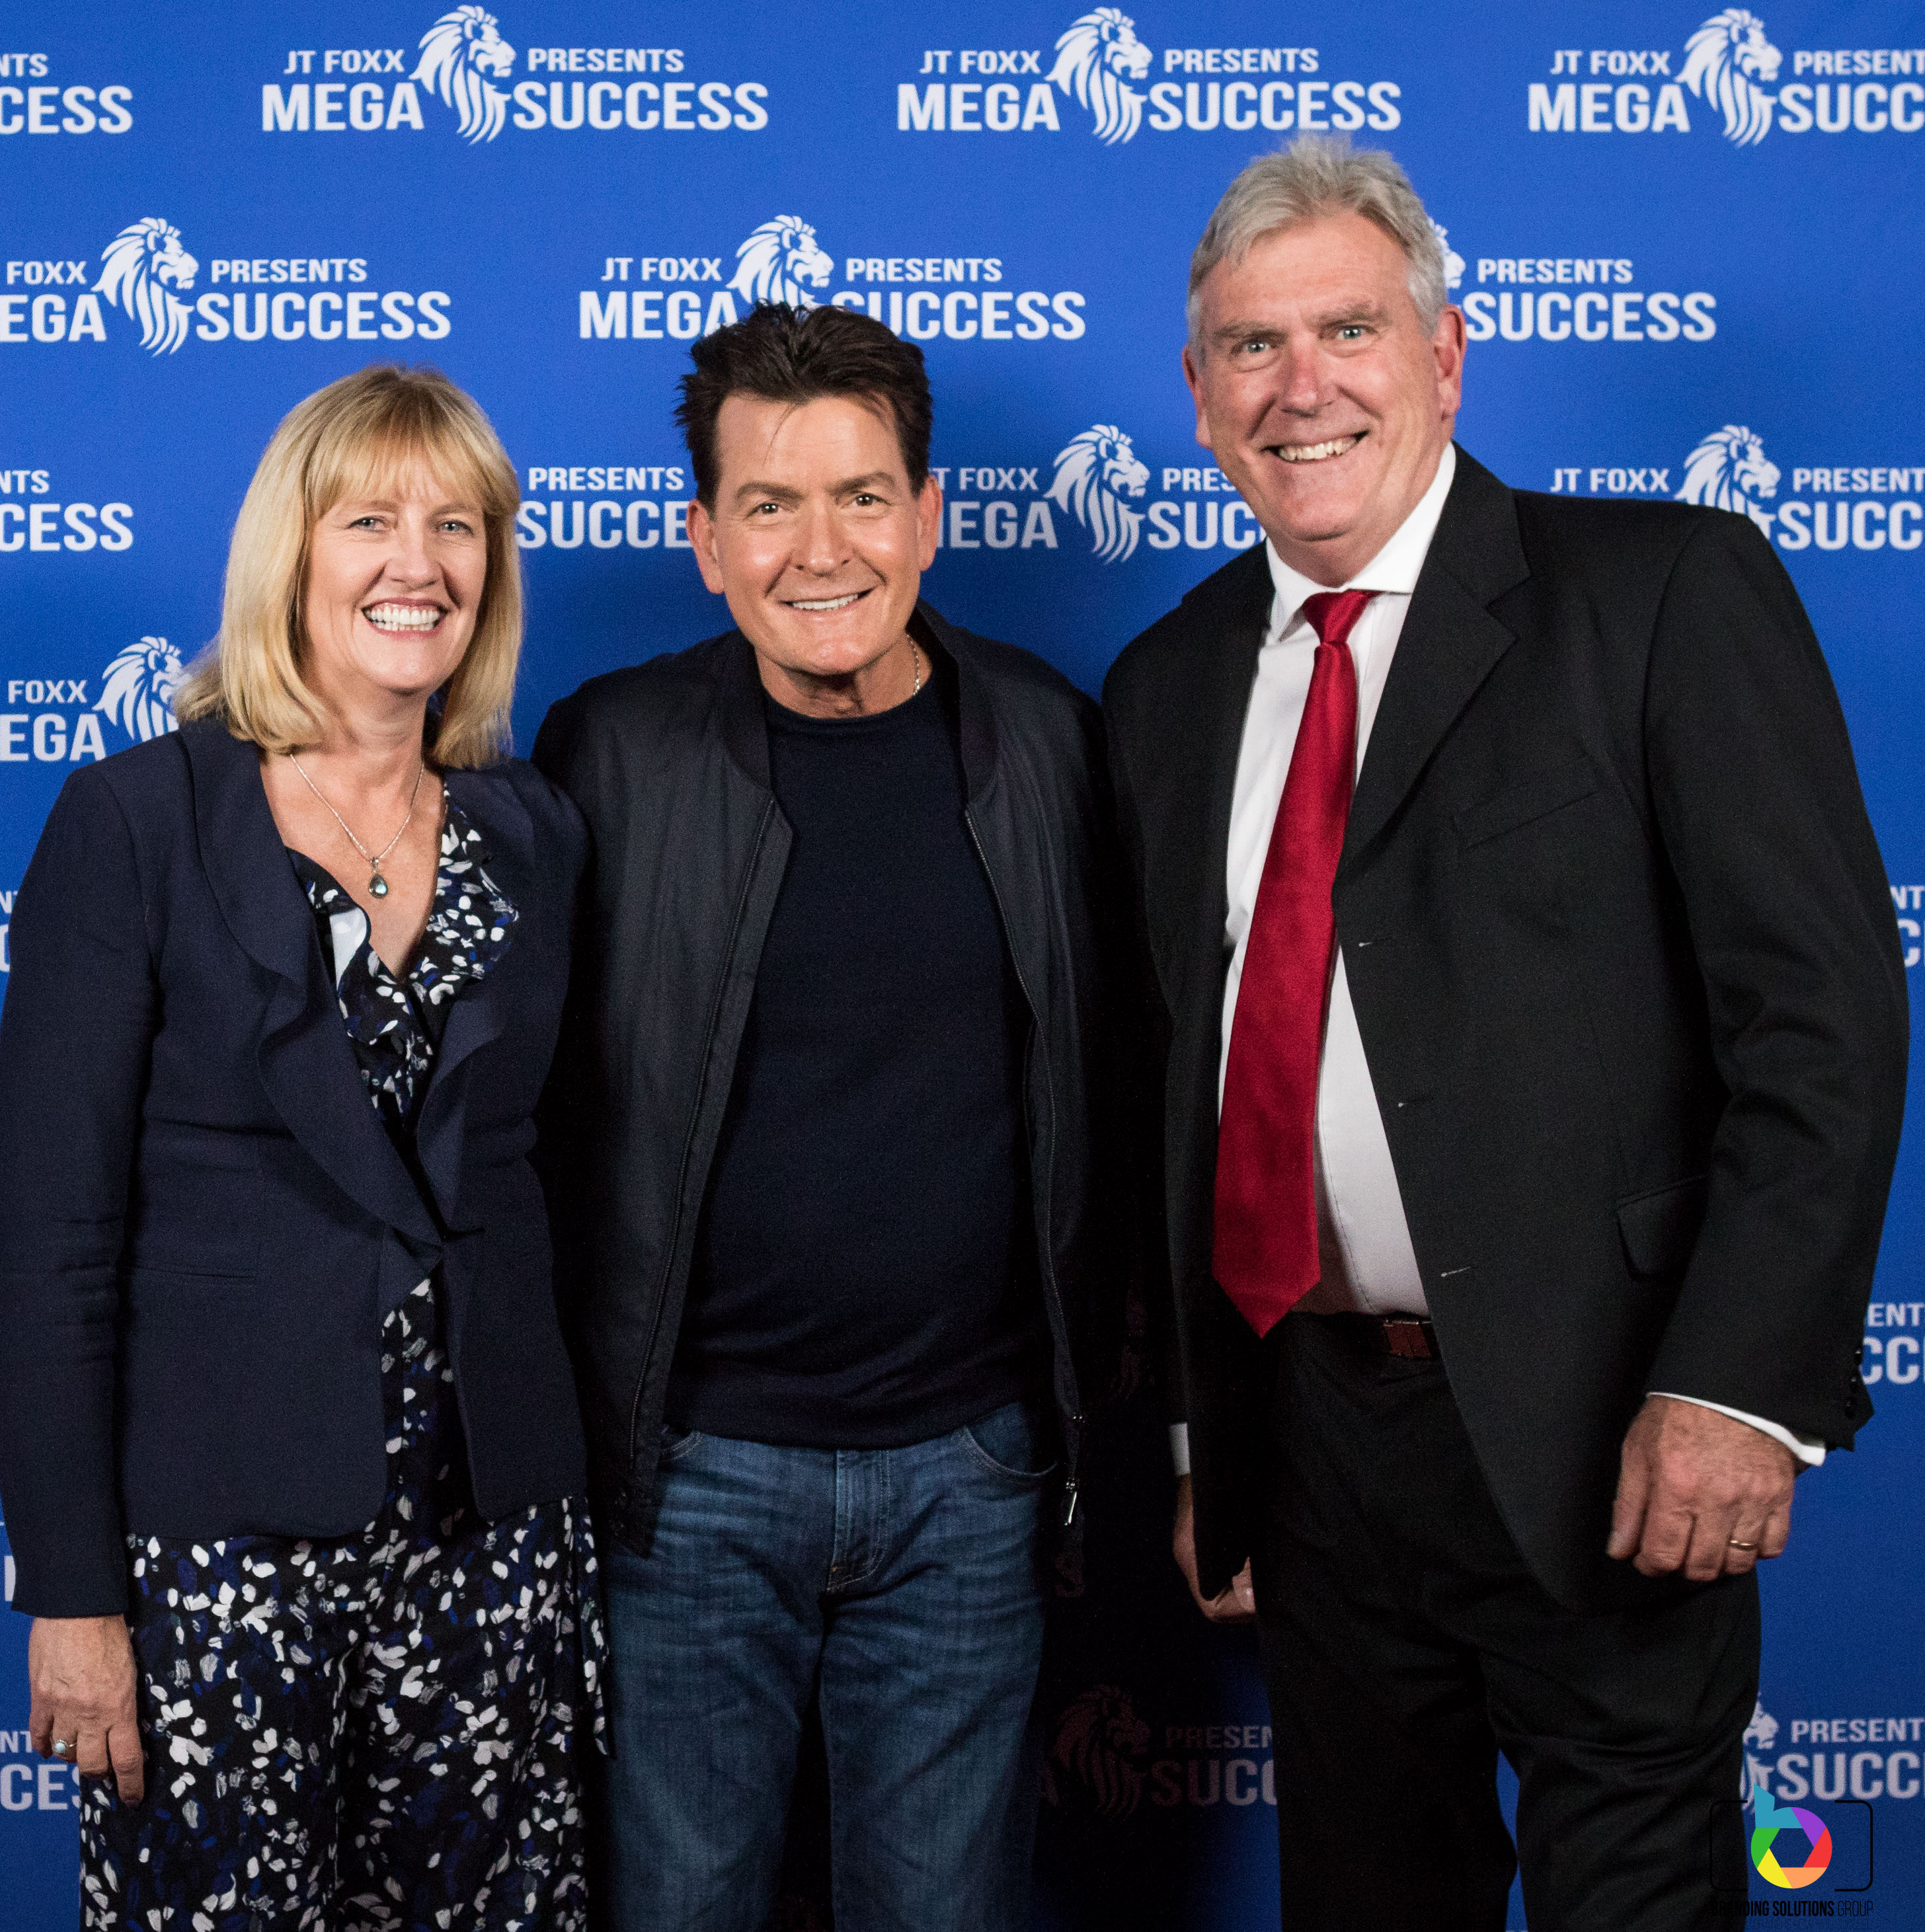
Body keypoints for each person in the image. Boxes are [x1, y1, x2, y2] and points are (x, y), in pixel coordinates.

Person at [1101, 135, 1908, 1931]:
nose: (1300, 385)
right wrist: (1203, 1442)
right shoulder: (1165, 684)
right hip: (1313, 1446)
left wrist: (1733, 1390)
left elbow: (1820, 1025)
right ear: (1198, 394)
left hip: (1605, 1425)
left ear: (1445, 355)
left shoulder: (1660, 593)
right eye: (1249, 346)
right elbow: (1170, 1094)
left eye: (1347, 330)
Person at [531, 303, 1142, 1931]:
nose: (821, 549)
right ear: (703, 542)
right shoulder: (610, 750)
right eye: (769, 505)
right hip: (688, 1483)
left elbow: (1123, 1099)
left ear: (928, 516)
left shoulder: (1047, 739)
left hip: (970, 1481)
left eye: (863, 496)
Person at [0, 364, 601, 1928]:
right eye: (370, 521)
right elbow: (52, 1247)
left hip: (488, 1540)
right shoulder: (135, 821)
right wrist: (74, 1596)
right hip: (215, 1557)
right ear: (291, 551)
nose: (420, 563)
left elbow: (554, 1177)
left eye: (457, 526)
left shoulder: (532, 829)